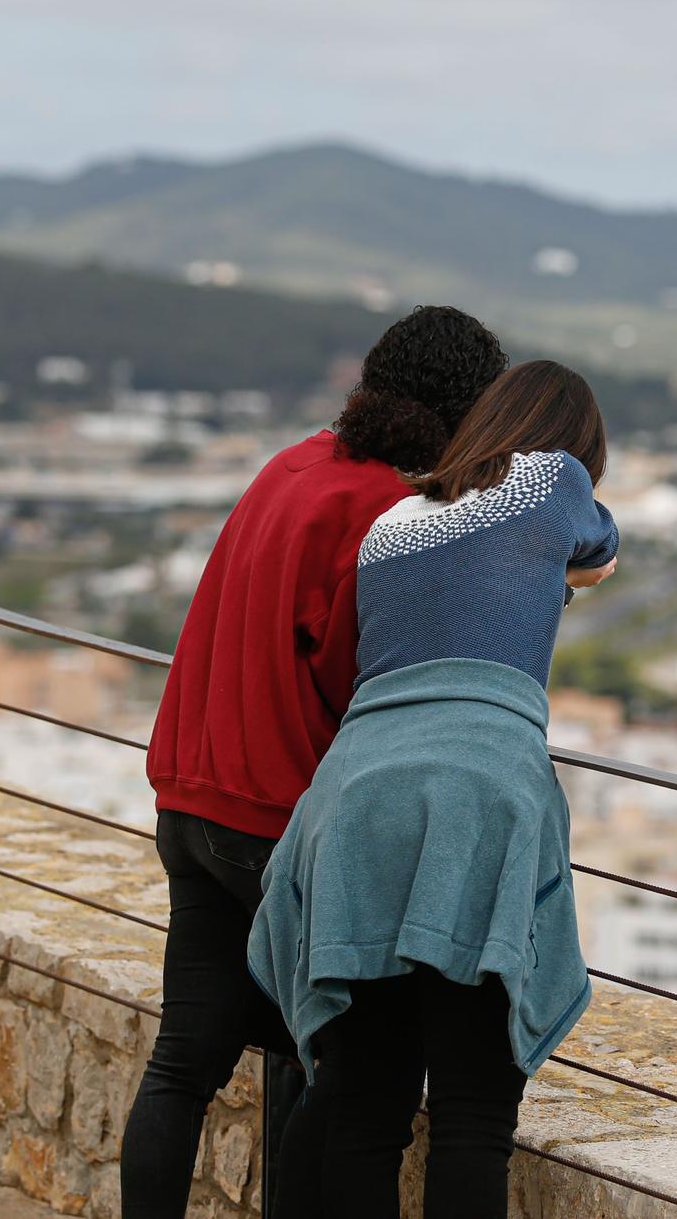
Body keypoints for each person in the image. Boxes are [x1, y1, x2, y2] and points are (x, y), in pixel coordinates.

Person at [120, 306, 508, 1218]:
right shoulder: (386, 511)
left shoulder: (294, 462)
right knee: (346, 1058)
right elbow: (359, 676)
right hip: (275, 814)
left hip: (192, 795)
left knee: (183, 1063)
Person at [248, 360, 620, 1219]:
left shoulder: (391, 521)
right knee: (473, 1112)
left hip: (355, 799)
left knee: (365, 1106)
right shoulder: (552, 479)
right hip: (474, 795)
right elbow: (600, 551)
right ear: (577, 443)